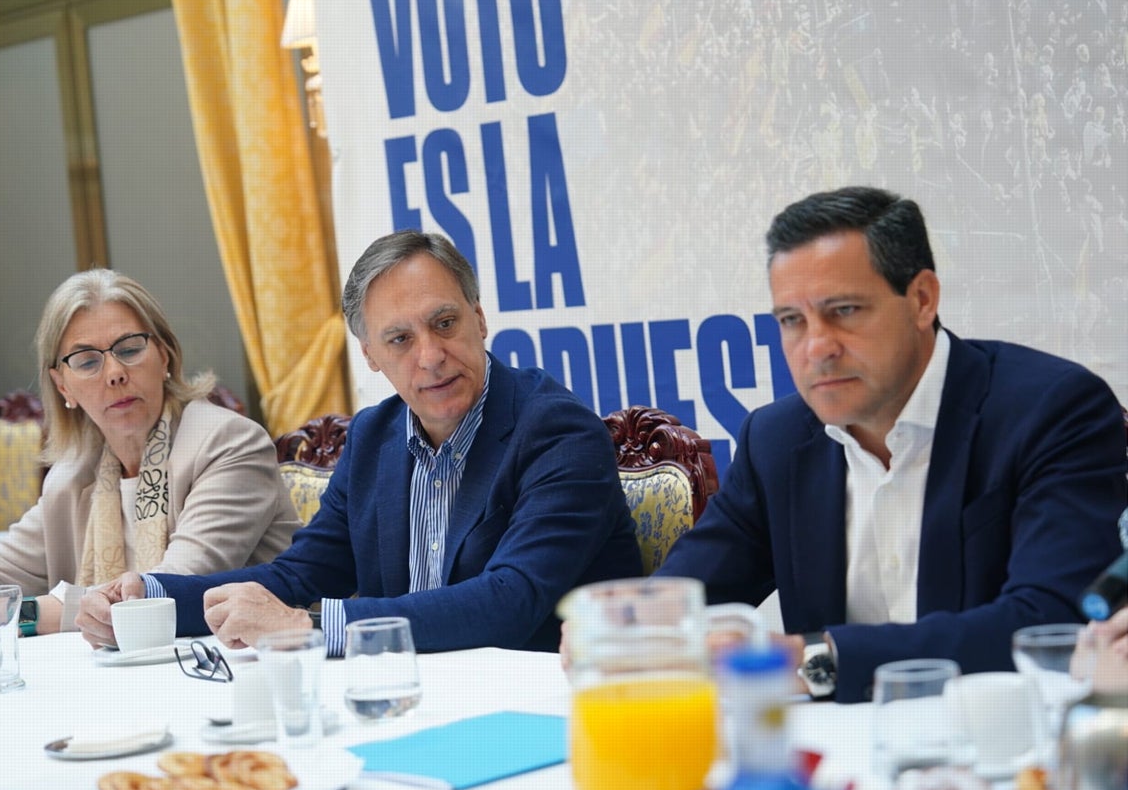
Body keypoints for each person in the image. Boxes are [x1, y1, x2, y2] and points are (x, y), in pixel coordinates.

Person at [657, 186, 1127, 702]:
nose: (817, 347)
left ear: (922, 299)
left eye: (845, 311)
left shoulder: (1051, 409)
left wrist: (814, 657)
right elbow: (685, 597)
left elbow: (1050, 623)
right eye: (792, 320)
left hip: (1002, 741)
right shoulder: (777, 439)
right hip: (836, 755)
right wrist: (621, 625)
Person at [77, 231, 642, 655]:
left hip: (536, 711)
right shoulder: (374, 436)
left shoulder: (557, 431)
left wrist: (310, 627)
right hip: (406, 697)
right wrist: (152, 596)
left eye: (444, 323)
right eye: (399, 339)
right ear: (370, 355)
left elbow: (509, 602)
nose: (429, 355)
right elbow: (299, 576)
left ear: (479, 317)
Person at [0, 270, 299, 646]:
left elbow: (166, 591)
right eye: (87, 361)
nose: (115, 373)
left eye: (129, 349)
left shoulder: (229, 444)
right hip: (123, 679)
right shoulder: (72, 476)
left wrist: (10, 616)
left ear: (165, 355)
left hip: (233, 671)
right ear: (62, 385)